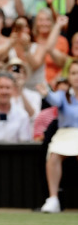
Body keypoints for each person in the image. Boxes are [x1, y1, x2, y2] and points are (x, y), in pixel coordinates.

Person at [38, 61, 78, 213]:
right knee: (53, 156)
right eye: (73, 73)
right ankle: (53, 198)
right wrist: (46, 93)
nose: (76, 77)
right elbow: (54, 100)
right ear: (68, 76)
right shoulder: (62, 95)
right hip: (64, 134)